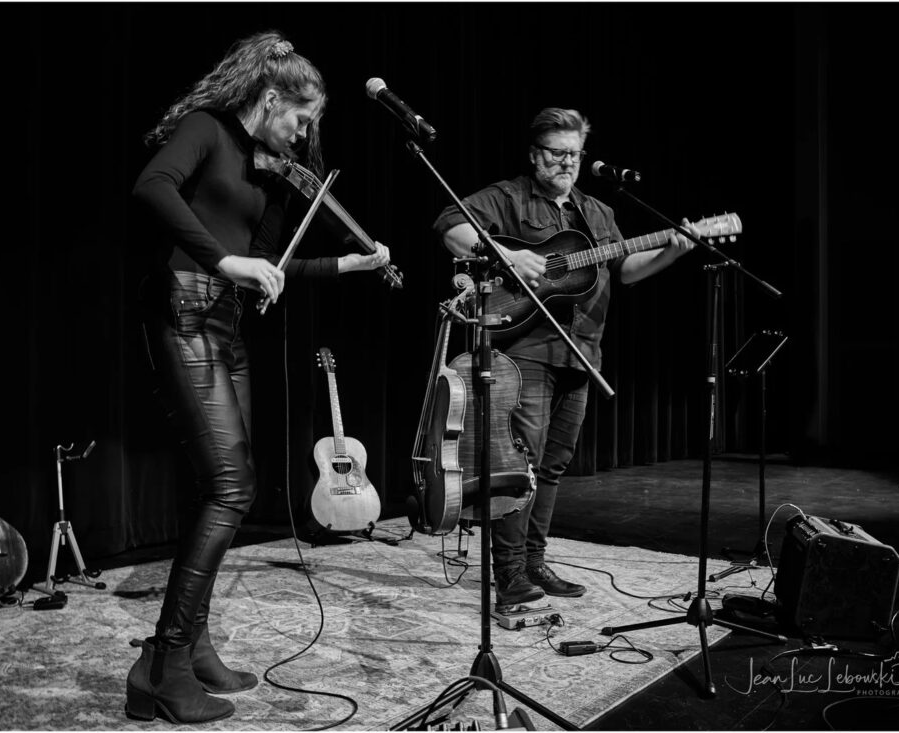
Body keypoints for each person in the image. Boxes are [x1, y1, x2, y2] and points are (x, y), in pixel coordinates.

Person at [127, 31, 390, 724]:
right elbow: (151, 186)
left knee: (208, 487)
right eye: (301, 119)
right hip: (182, 311)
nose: (305, 136)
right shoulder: (206, 130)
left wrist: (346, 266)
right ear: (270, 98)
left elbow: (267, 267)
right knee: (232, 485)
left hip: (227, 328)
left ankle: (193, 647)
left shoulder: (267, 173)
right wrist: (223, 262)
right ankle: (161, 662)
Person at [432, 108, 696, 608]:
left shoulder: (596, 213)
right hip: (525, 349)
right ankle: (508, 571)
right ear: (535, 155)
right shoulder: (507, 197)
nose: (568, 163)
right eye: (557, 153)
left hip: (581, 351)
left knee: (552, 466)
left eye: (575, 154)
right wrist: (510, 257)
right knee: (518, 461)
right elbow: (450, 226)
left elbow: (628, 270)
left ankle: (534, 561)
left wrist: (673, 250)